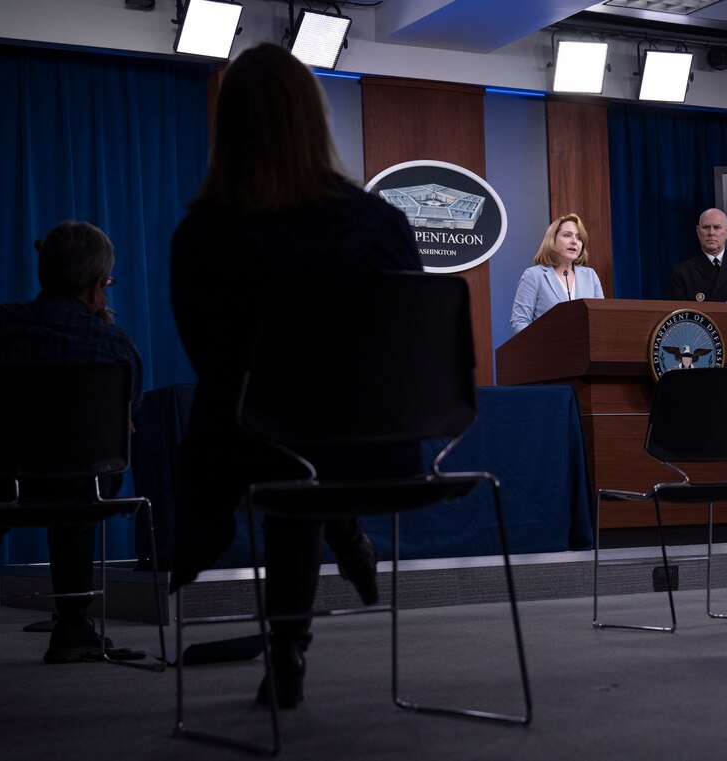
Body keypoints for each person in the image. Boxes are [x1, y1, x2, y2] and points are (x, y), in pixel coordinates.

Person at [169, 43, 422, 707]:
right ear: (316, 119)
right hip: (379, 450)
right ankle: (343, 533)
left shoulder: (202, 237)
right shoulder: (385, 225)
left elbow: (214, 369)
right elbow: (413, 356)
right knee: (307, 443)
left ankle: (289, 643)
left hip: (259, 444)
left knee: (281, 439)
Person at [0, 220, 144, 663]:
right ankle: (72, 627)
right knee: (81, 478)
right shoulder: (115, 344)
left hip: (5, 483)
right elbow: (126, 415)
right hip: (86, 488)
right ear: (97, 284)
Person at [510, 213, 604, 334]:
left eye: (579, 237)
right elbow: (520, 321)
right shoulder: (534, 275)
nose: (574, 241)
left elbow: (600, 318)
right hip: (547, 350)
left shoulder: (590, 276)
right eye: (567, 235)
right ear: (553, 240)